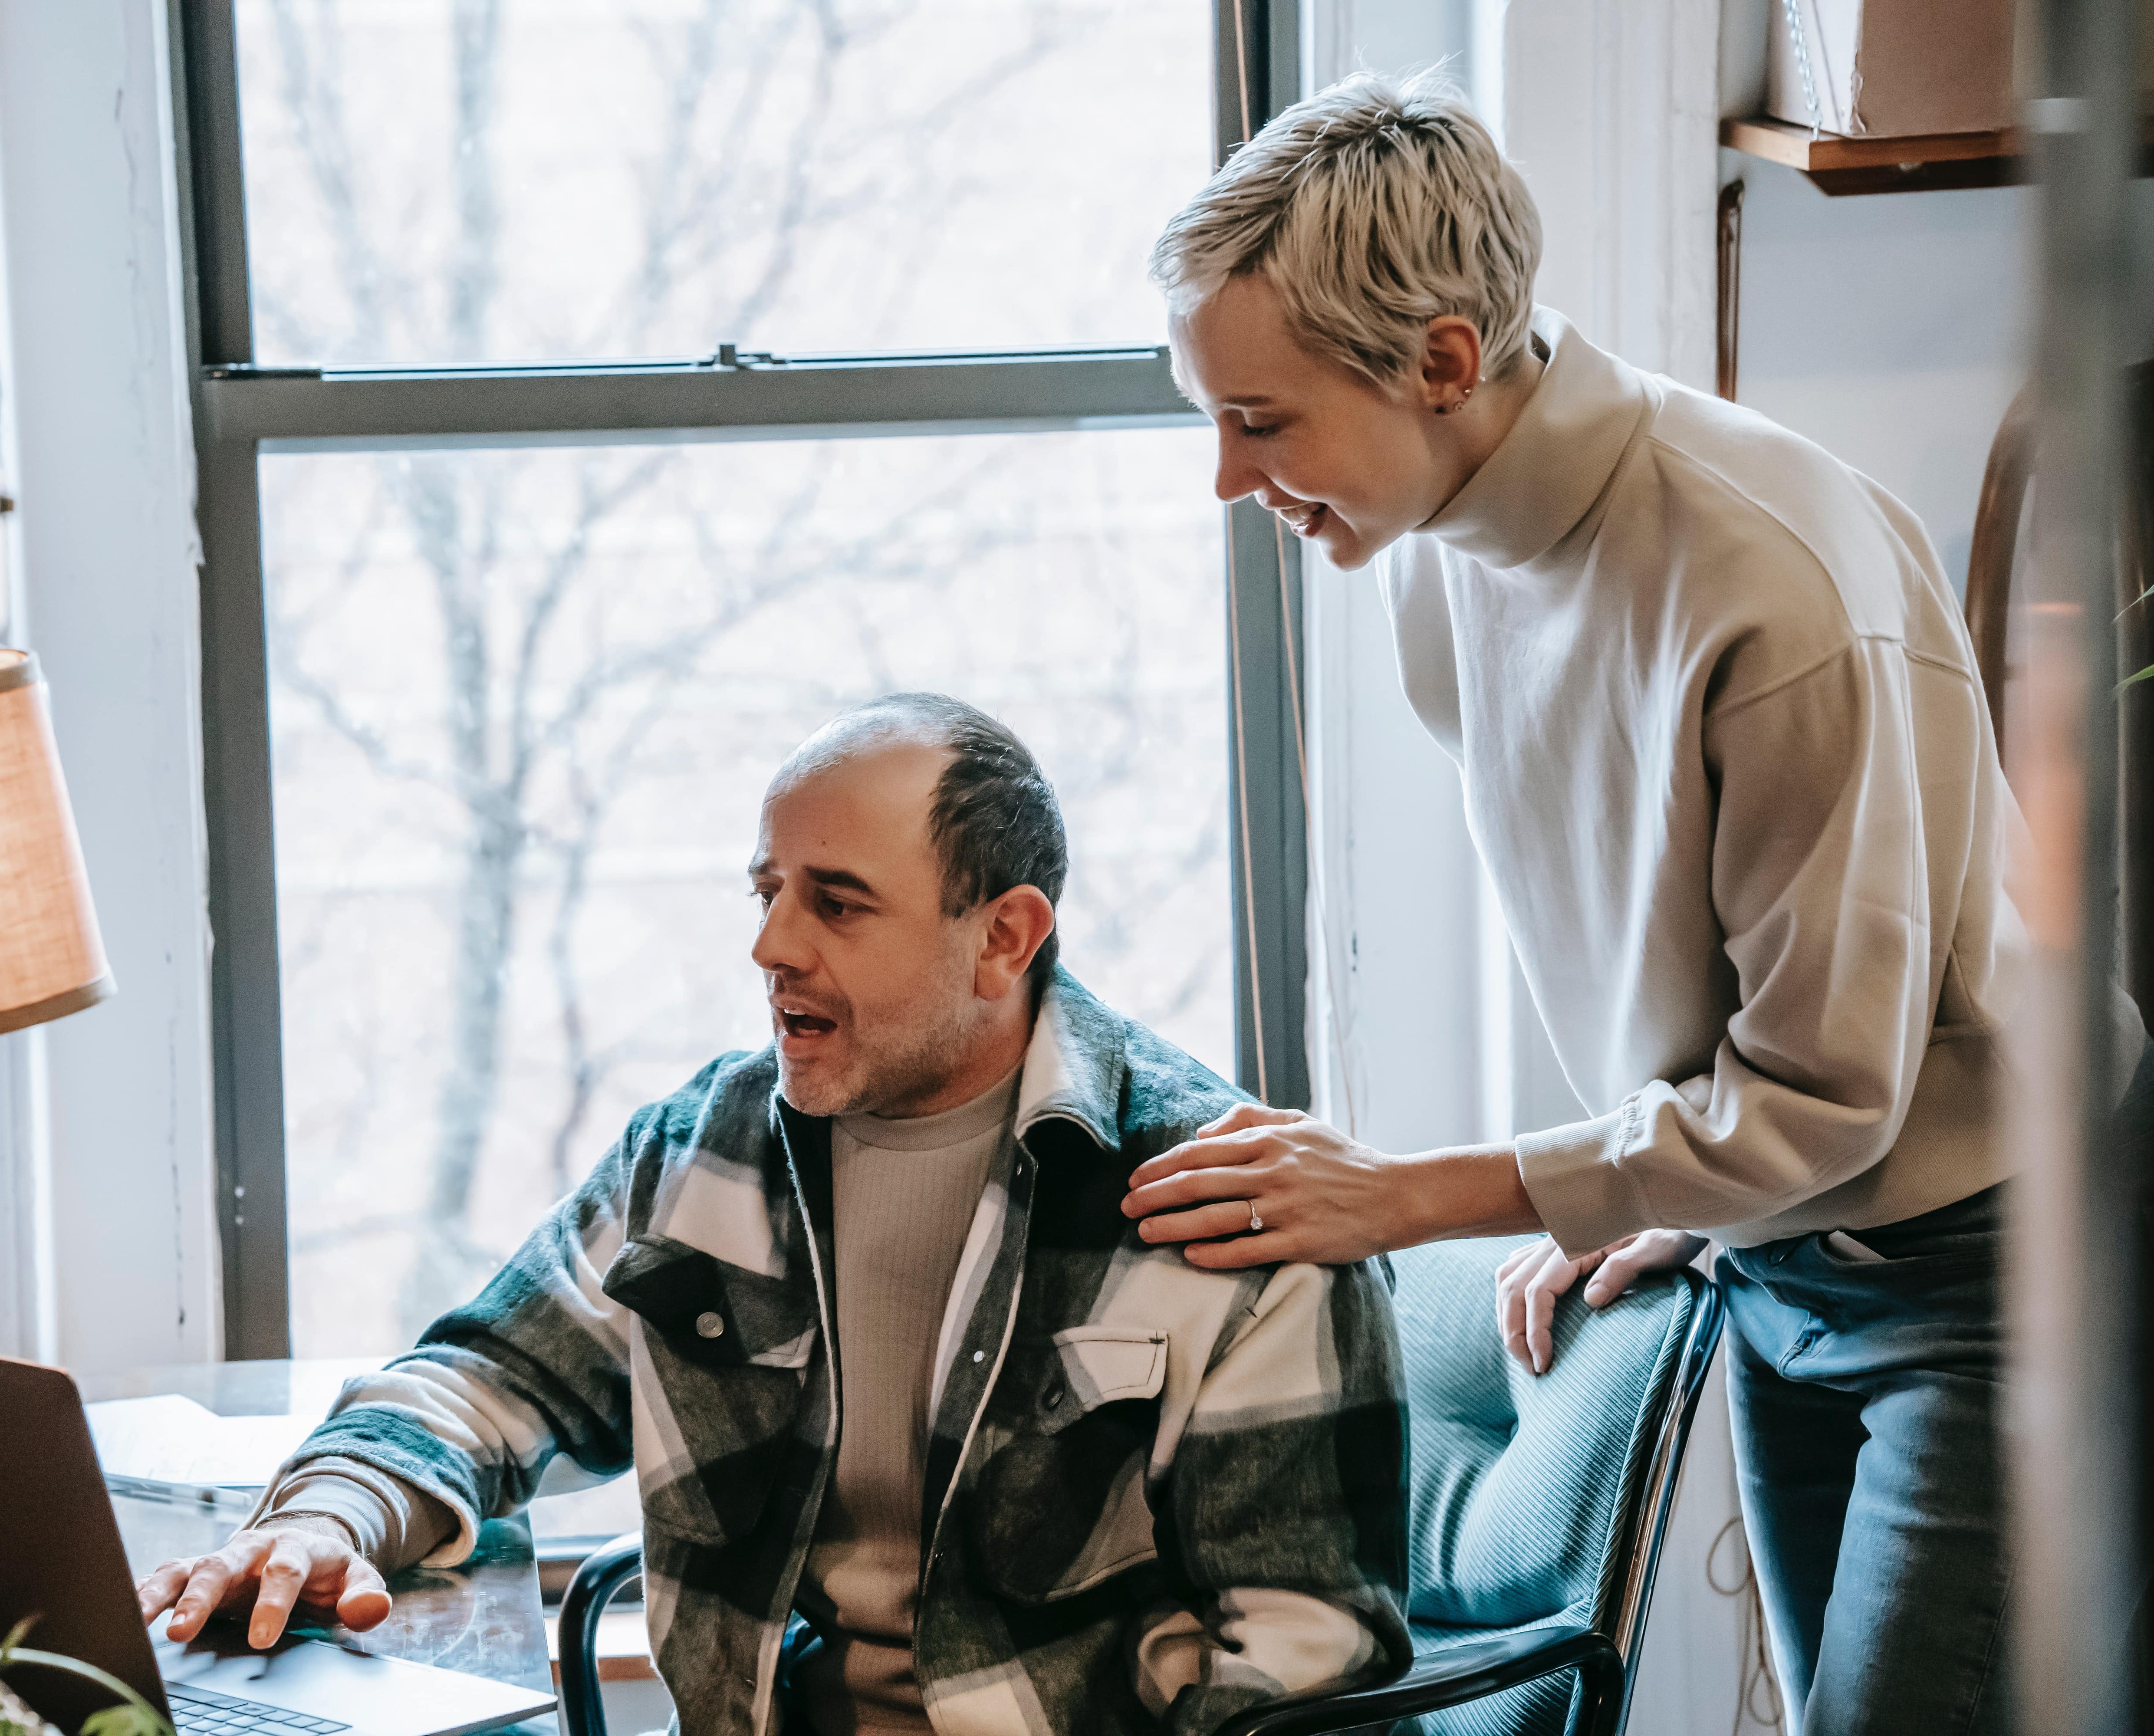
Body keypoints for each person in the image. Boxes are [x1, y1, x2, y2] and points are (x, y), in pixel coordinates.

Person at [1121, 72, 2141, 1736]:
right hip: (1794, 1234)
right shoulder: (1436, 535)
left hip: (1999, 1257)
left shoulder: (1764, 586)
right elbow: (1707, 979)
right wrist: (1660, 1172)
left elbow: (1831, 1090)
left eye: (1265, 419)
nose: (1230, 479)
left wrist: (1419, 1196)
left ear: (1447, 363)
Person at [138, 694, 1409, 1736]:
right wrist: (326, 1515)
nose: (772, 947)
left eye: (837, 903)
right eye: (767, 892)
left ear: (1004, 939)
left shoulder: (1231, 1203)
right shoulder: (709, 1152)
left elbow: (1310, 1670)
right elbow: (485, 1381)